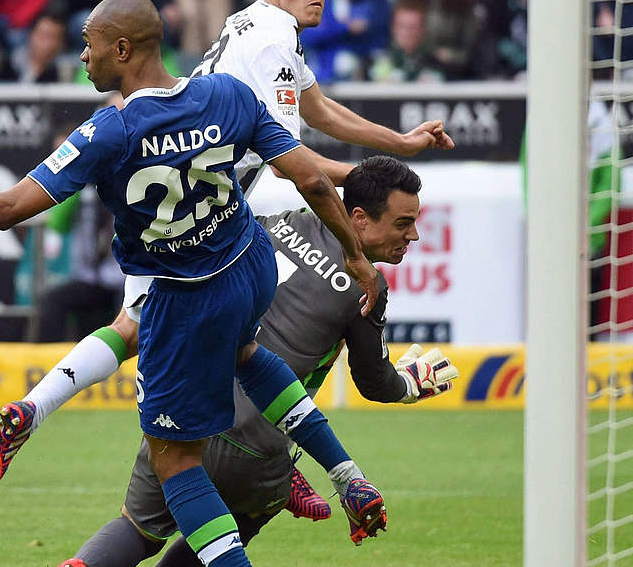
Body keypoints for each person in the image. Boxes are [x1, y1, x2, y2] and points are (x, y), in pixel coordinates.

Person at [0, 0, 393, 562]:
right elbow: (315, 181)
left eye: (90, 44)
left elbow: (3, 209)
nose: (83, 56)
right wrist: (355, 256)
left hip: (183, 300)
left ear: (123, 50)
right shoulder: (228, 95)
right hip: (251, 267)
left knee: (175, 461)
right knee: (246, 353)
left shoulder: (109, 131)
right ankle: (343, 470)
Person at [0, 0, 454, 523]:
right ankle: (45, 414)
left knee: (183, 329)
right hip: (215, 206)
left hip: (192, 194)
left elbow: (318, 107)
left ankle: (37, 412)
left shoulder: (259, 24)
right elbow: (297, 163)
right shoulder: (274, 43)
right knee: (196, 335)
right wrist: (371, 180)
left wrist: (397, 141)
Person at [63, 156, 459, 567]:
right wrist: (412, 385)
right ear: (358, 217)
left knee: (135, 529)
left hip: (183, 411)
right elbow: (374, 382)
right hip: (259, 442)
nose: (413, 235)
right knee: (238, 523)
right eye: (402, 223)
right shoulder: (366, 285)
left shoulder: (272, 223)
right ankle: (285, 481)